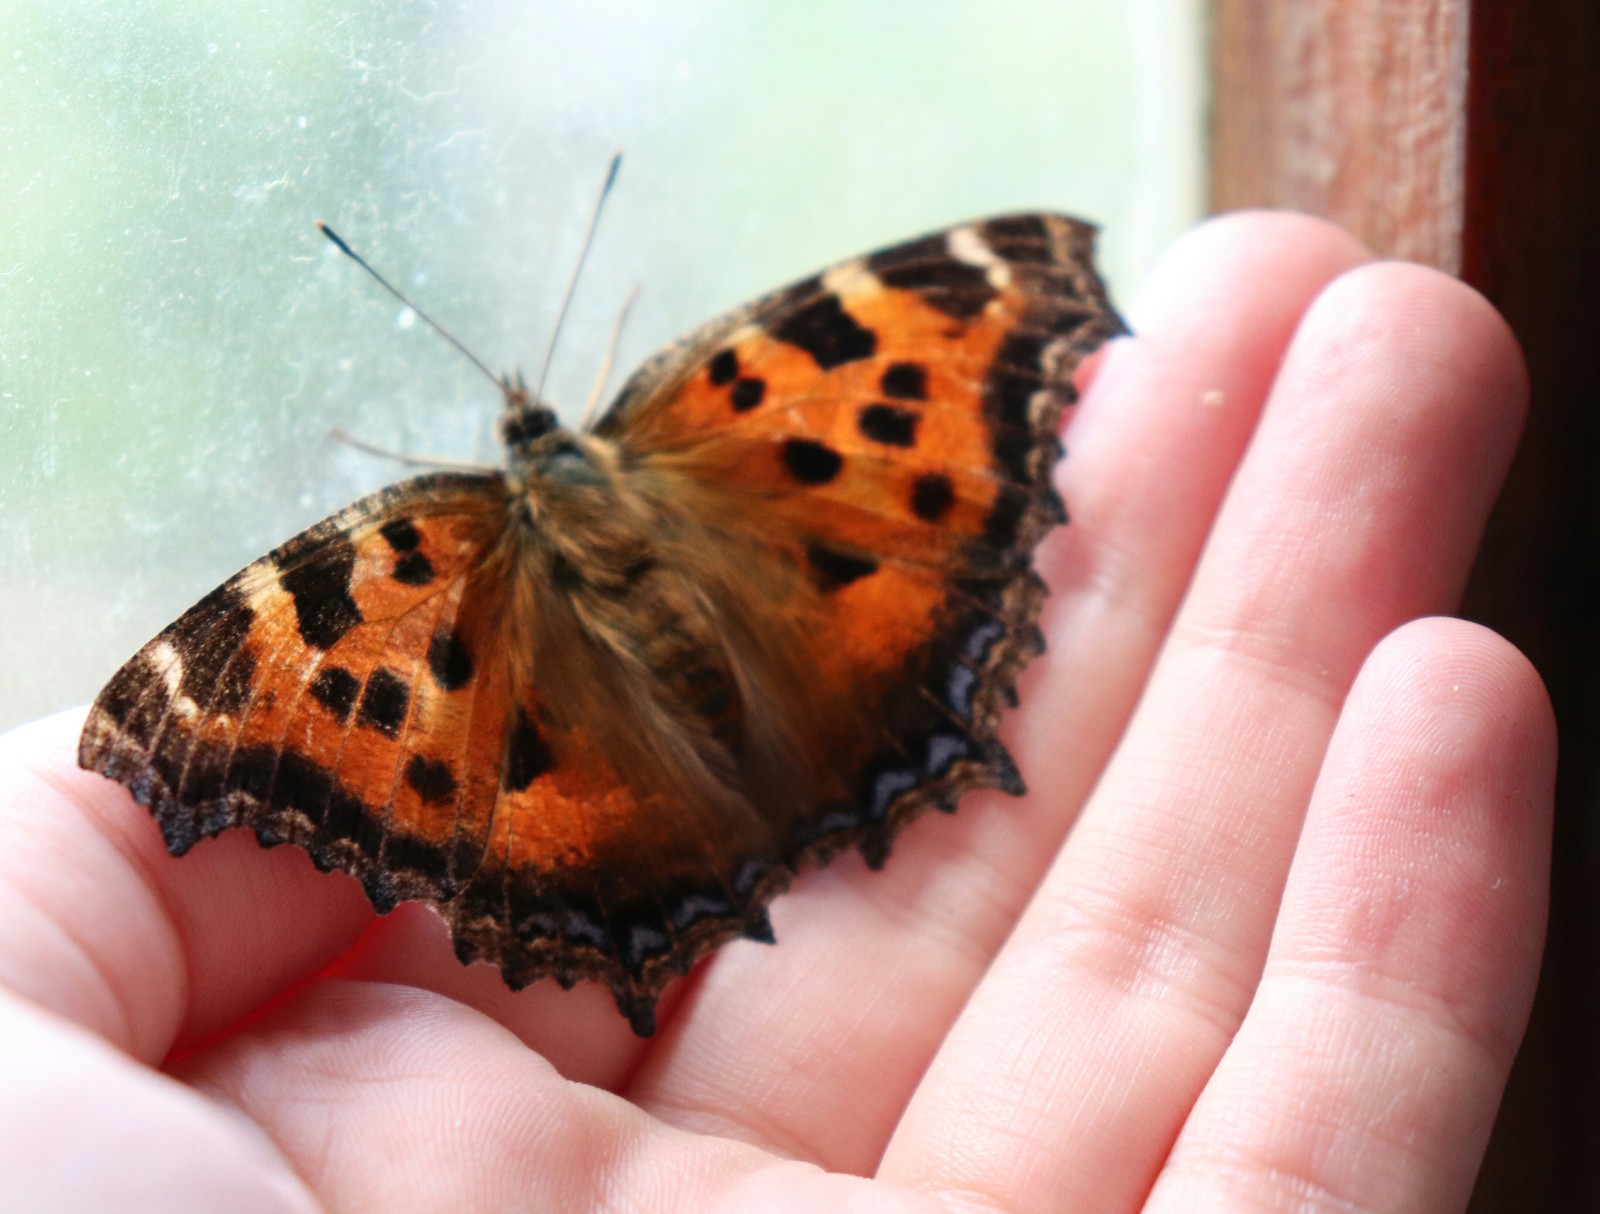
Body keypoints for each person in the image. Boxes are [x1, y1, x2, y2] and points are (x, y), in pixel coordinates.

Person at [0, 212, 1551, 1212]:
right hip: (811, 643)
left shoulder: (401, 564)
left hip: (663, 734)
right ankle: (845, 758)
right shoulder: (727, 396)